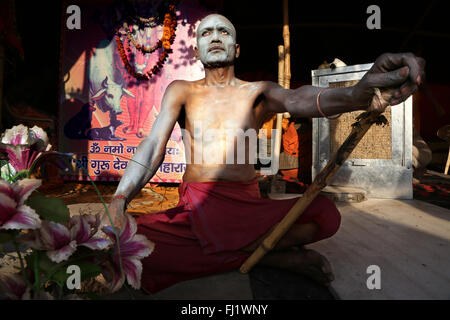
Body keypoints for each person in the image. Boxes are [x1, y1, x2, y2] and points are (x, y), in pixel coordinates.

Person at [104, 14, 425, 294]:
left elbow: (299, 99)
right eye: (206, 33)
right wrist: (120, 198)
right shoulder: (181, 91)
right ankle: (270, 256)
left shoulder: (258, 92)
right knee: (119, 242)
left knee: (326, 215)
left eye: (224, 32)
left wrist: (356, 94)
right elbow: (153, 144)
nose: (215, 37)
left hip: (246, 207)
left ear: (237, 49)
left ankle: (233, 253)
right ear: (196, 51)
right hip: (198, 208)